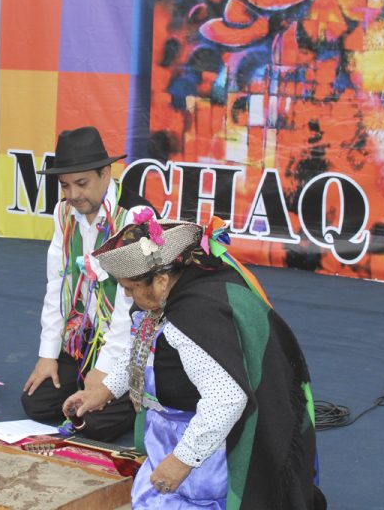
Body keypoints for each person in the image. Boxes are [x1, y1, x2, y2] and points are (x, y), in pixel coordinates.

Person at [63, 214, 326, 509]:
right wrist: (106, 390)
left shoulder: (190, 319)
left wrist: (181, 460)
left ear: (161, 280)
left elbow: (226, 400)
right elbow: (140, 350)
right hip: (169, 436)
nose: (126, 295)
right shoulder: (166, 299)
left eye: (129, 287)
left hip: (204, 447)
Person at [21, 126, 152, 442]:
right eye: (65, 185)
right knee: (36, 404)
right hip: (84, 335)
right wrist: (48, 354)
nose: (73, 194)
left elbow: (133, 308)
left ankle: (141, 393)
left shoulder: (136, 217)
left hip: (133, 341)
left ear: (105, 174)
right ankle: (91, 388)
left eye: (82, 183)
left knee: (93, 425)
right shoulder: (63, 212)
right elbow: (57, 285)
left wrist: (107, 369)